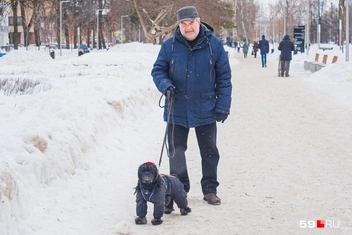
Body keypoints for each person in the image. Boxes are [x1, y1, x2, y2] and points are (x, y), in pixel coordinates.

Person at [151, 6, 232, 206]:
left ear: (198, 21)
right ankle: (179, 189)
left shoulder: (214, 45)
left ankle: (210, 189)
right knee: (176, 151)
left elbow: (224, 78)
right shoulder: (169, 46)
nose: (188, 28)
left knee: (209, 150)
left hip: (206, 106)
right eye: (183, 24)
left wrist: (223, 105)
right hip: (176, 106)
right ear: (179, 25)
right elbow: (158, 71)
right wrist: (165, 85)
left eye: (191, 23)